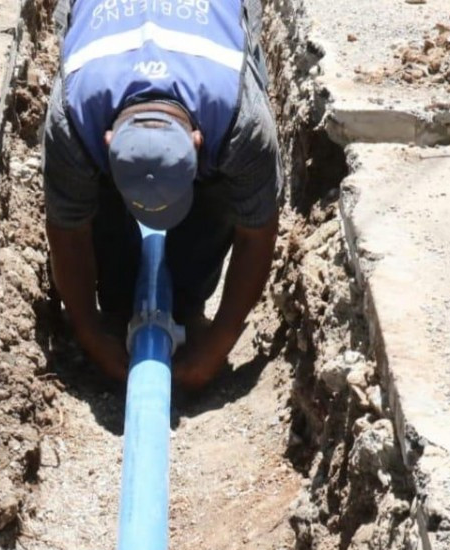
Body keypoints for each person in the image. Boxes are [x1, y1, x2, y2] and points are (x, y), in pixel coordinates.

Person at [43, 0, 282, 391]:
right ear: (108, 141)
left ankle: (187, 301)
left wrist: (219, 344)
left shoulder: (242, 120)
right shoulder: (72, 119)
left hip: (214, 25)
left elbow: (256, 231)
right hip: (104, 31)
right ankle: (119, 303)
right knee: (107, 248)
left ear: (196, 139)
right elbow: (68, 229)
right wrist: (90, 332)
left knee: (219, 198)